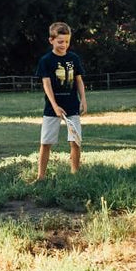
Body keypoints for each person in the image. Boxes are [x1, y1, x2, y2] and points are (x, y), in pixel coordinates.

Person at [35, 21, 87, 180]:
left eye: (67, 41)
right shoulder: (46, 60)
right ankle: (41, 177)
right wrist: (55, 106)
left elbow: (78, 80)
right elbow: (46, 84)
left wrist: (83, 99)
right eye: (60, 41)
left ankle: (75, 175)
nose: (64, 45)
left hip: (72, 106)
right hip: (52, 108)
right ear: (51, 40)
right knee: (46, 143)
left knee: (75, 142)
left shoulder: (74, 58)